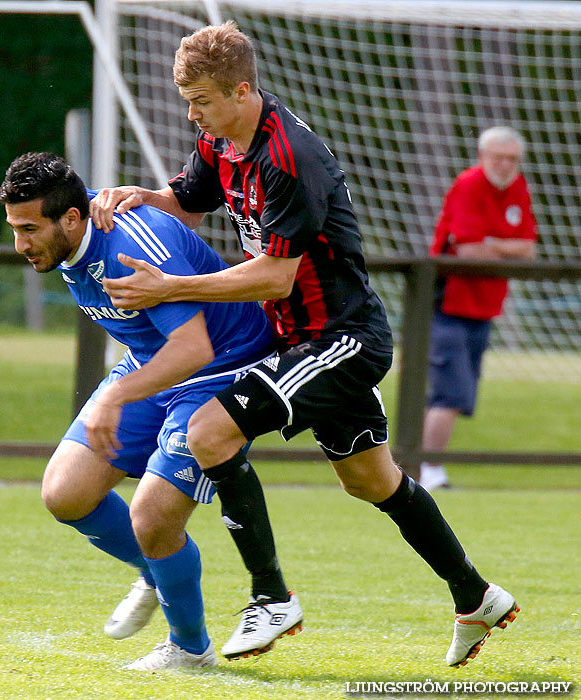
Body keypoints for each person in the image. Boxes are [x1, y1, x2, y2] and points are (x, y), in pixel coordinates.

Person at [89, 21, 518, 667]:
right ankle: (475, 595)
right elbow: (188, 199)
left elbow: (274, 274)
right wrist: (141, 195)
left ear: (240, 90)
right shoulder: (219, 137)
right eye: (188, 101)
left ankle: (270, 598)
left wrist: (169, 286)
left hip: (339, 337)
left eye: (201, 99)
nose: (192, 113)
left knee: (210, 433)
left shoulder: (286, 157)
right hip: (299, 338)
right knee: (370, 480)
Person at [0, 151, 279, 670]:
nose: (21, 244)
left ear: (72, 218)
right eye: (15, 228)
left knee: (152, 516)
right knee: (66, 493)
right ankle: (155, 570)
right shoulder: (69, 234)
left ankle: (190, 649)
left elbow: (194, 349)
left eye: (30, 229)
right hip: (153, 362)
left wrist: (112, 396)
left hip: (222, 368)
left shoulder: (128, 246)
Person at [421, 127, 538, 491]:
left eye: (512, 158)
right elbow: (470, 253)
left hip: (484, 308)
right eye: (498, 157)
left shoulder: (517, 188)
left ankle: (424, 468)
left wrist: (492, 244)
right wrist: (505, 246)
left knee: (459, 393)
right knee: (450, 393)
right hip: (448, 304)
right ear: (482, 155)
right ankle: (428, 471)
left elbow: (529, 248)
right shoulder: (469, 185)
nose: (505, 165)